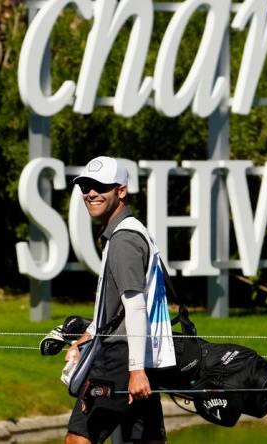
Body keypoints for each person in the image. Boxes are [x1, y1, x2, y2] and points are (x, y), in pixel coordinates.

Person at [65, 156, 168, 444]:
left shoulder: (123, 239)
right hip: (139, 356)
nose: (91, 193)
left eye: (100, 186)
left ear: (121, 191)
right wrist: (85, 338)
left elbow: (135, 306)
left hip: (121, 359)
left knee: (79, 439)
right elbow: (119, 308)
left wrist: (135, 371)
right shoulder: (129, 232)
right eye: (85, 186)